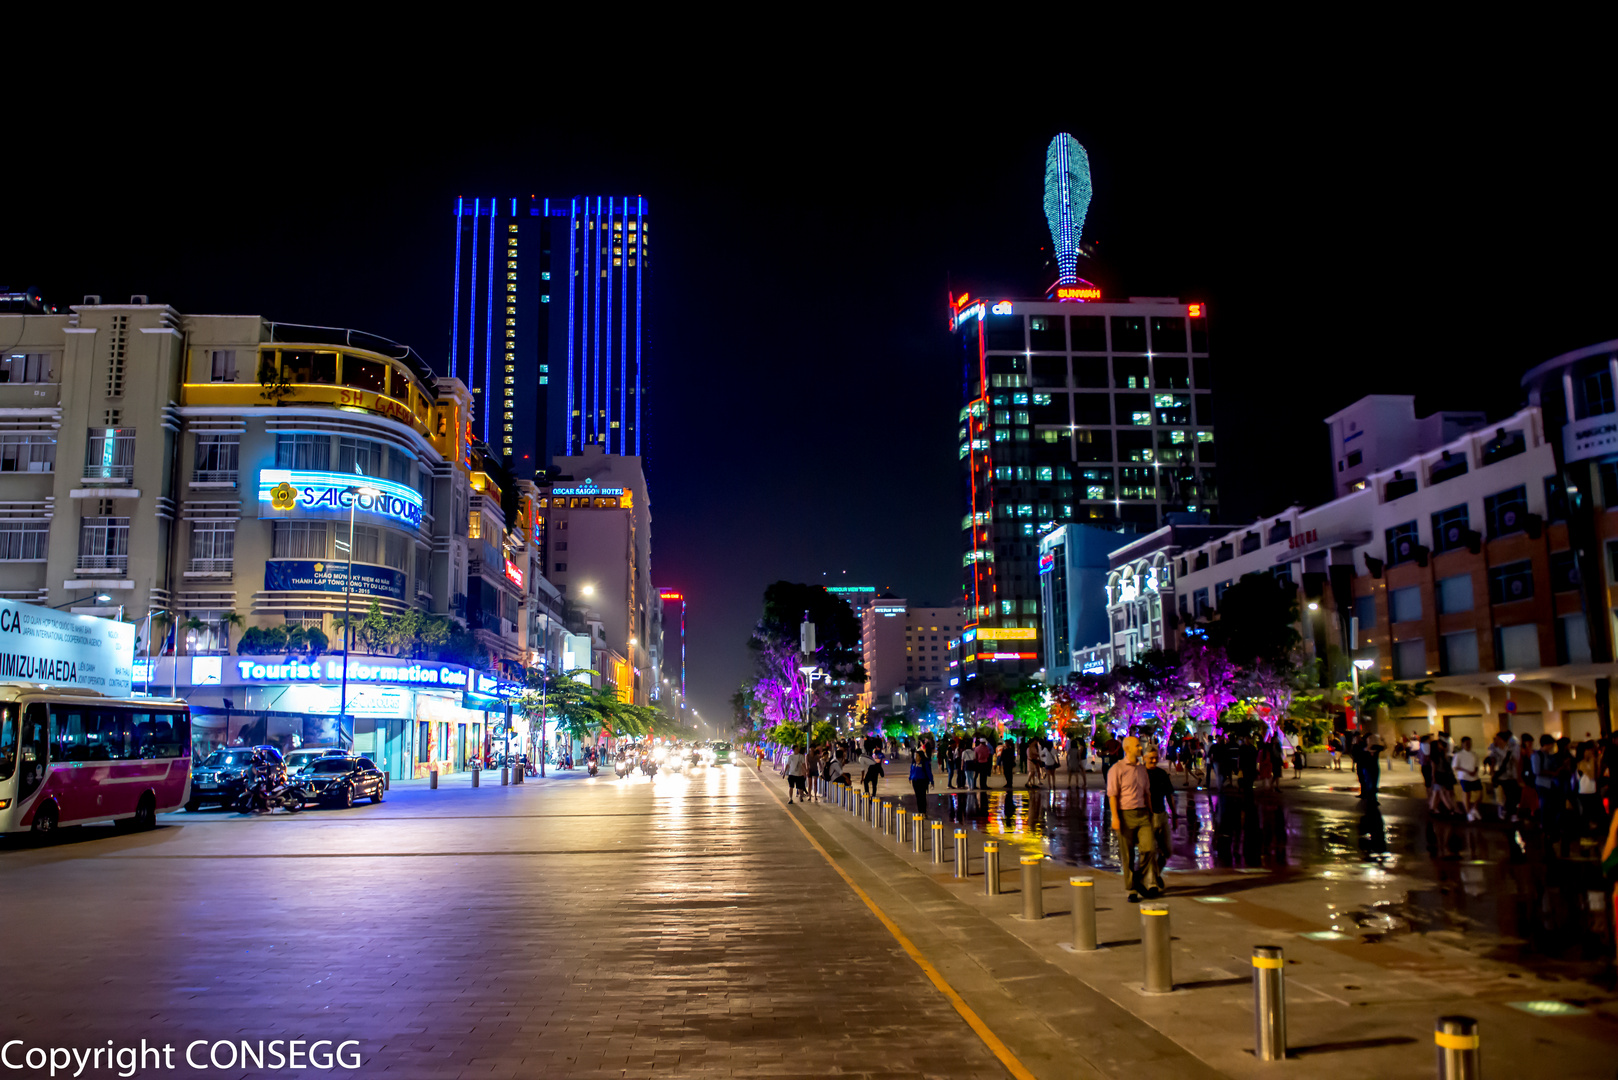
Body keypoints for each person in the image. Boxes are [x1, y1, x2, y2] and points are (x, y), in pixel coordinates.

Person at [1108, 736, 1162, 901]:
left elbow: (1147, 793)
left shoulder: (1141, 769)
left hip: (1143, 813)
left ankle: (1137, 878)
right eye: (1138, 746)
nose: (1141, 748)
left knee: (1149, 849)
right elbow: (1112, 795)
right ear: (1127, 749)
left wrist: (1151, 813)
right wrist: (1115, 817)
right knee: (1128, 854)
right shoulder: (1117, 769)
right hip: (1125, 814)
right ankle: (1131, 889)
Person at [1143, 745, 1177, 879]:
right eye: (1150, 758)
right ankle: (1151, 879)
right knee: (1149, 851)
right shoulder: (1140, 774)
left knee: (1167, 850)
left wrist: (1174, 815)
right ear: (1144, 758)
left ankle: (1155, 873)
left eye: (1155, 758)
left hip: (1162, 815)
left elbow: (1169, 795)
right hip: (1147, 817)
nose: (1153, 761)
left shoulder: (1162, 774)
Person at [1452, 736, 1482, 822]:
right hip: (1464, 777)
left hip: (1475, 777)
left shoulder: (1474, 754)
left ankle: (1474, 809)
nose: (1468, 745)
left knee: (1480, 794)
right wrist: (1466, 771)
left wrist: (1474, 771)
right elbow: (1455, 767)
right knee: (1466, 795)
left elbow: (1476, 765)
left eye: (1469, 743)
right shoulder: (1458, 755)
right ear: (1462, 744)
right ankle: (1469, 813)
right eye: (1466, 743)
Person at [910, 749, 935, 814]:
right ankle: (920, 811)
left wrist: (932, 781)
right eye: (915, 756)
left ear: (920, 757)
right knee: (918, 797)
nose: (915, 757)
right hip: (915, 781)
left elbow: (929, 772)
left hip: (922, 781)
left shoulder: (924, 763)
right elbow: (911, 771)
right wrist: (910, 778)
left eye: (917, 756)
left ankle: (923, 811)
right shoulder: (913, 763)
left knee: (922, 796)